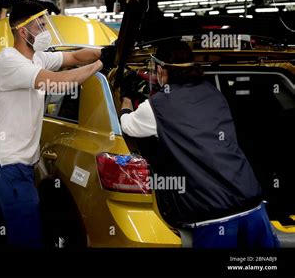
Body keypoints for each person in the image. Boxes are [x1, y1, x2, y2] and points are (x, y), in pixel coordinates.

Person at [119, 40, 279, 248]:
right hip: (252, 205)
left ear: (159, 69)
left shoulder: (155, 107)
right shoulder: (214, 93)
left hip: (212, 215)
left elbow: (127, 126)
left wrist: (126, 100)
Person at [0, 0, 107, 248]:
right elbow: (55, 82)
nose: (45, 30)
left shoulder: (36, 58)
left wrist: (103, 52)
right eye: (40, 25)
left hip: (12, 165)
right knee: (28, 240)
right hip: (10, 165)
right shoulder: (9, 62)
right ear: (23, 31)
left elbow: (71, 56)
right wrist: (99, 66)